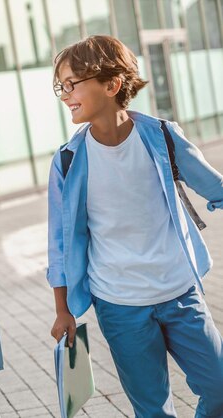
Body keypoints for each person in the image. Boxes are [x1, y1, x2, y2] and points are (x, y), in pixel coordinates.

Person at [47, 35, 223, 417]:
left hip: (180, 292)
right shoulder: (67, 160)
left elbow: (214, 186)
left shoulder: (161, 136)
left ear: (111, 85)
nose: (64, 94)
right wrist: (63, 310)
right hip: (120, 305)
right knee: (153, 410)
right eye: (60, 85)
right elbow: (59, 244)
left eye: (71, 83)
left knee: (219, 389)